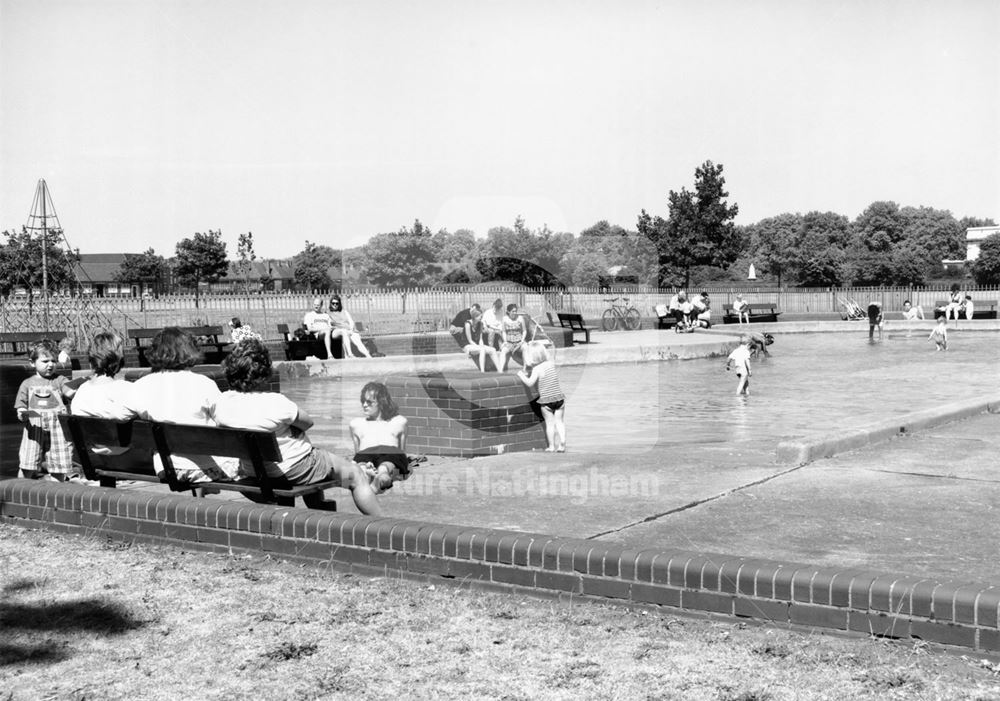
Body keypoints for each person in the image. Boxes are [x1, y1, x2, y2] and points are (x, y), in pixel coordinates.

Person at [215, 339, 382, 513]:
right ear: (263, 371)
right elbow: (307, 422)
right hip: (296, 470)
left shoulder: (222, 403)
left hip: (254, 472)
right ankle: (381, 527)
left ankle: (319, 508)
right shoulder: (275, 402)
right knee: (354, 474)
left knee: (314, 455)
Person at [131, 327, 239, 483]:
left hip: (167, 468)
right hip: (208, 468)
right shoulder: (204, 384)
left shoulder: (140, 385)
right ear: (189, 350)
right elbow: (227, 420)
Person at [14, 339, 77, 481]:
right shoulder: (27, 383)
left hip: (58, 428)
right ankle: (20, 489)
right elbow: (21, 406)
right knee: (28, 463)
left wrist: (76, 389)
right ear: (32, 363)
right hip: (34, 427)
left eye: (53, 361)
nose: (50, 365)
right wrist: (22, 414)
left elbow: (69, 391)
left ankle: (56, 492)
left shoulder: (60, 380)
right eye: (45, 361)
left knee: (59, 464)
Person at [349, 381, 411, 495]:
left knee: (385, 465)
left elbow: (402, 454)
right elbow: (358, 453)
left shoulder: (399, 422)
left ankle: (380, 476)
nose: (364, 405)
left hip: (390, 453)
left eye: (369, 402)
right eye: (363, 401)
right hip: (366, 454)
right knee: (361, 465)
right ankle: (372, 475)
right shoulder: (356, 424)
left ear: (381, 403)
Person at [517, 340, 566, 452]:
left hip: (546, 401)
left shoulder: (536, 369)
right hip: (559, 398)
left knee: (549, 424)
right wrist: (550, 344)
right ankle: (562, 442)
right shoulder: (551, 363)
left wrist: (521, 375)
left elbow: (529, 383)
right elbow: (554, 350)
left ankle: (552, 446)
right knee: (560, 422)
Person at [450, 303, 500, 372]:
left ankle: (500, 370)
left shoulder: (480, 324)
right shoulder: (468, 324)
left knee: (493, 350)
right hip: (467, 345)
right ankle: (482, 371)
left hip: (476, 346)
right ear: (475, 317)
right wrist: (480, 347)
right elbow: (470, 340)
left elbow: (480, 339)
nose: (481, 318)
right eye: (480, 317)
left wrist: (482, 345)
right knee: (482, 350)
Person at [328, 294, 372, 359]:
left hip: (348, 330)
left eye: (337, 303)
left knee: (355, 337)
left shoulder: (344, 311)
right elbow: (328, 324)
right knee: (343, 332)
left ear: (339, 303)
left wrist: (351, 330)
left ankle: (368, 356)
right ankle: (350, 354)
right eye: (333, 303)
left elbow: (351, 322)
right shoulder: (329, 313)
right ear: (331, 303)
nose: (335, 305)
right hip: (336, 331)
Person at [498, 303, 528, 371]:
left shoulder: (520, 318)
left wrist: (522, 341)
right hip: (509, 342)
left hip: (519, 342)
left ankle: (525, 368)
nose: (514, 313)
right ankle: (500, 370)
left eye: (515, 311)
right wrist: (505, 341)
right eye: (513, 311)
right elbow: (504, 331)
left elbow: (524, 331)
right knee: (503, 351)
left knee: (525, 348)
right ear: (508, 312)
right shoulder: (504, 319)